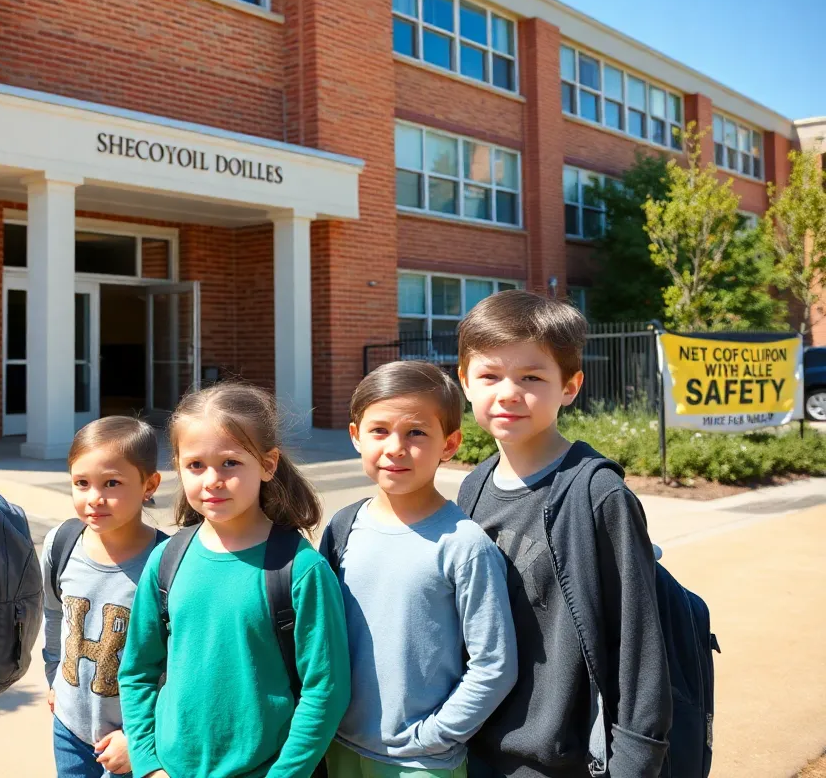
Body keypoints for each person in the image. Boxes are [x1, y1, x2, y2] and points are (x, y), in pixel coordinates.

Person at [455, 291, 671, 778]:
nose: (508, 392)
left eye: (531, 377)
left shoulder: (598, 494)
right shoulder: (473, 486)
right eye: (490, 376)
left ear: (570, 386)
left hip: (562, 760)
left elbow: (637, 638)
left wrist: (636, 762)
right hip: (476, 752)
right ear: (465, 382)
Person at [118, 382, 351, 778]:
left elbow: (325, 691)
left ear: (268, 464)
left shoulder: (300, 570)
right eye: (195, 465)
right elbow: (137, 670)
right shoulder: (167, 559)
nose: (212, 479)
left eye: (229, 462)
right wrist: (148, 763)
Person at [321, 361, 517, 778]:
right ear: (356, 436)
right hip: (337, 746)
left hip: (419, 762)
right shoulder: (343, 527)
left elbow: (494, 664)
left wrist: (436, 735)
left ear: (449, 444)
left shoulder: (464, 545)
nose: (394, 447)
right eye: (379, 431)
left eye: (416, 433)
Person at [43, 417, 166, 778]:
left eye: (112, 483)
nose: (94, 497)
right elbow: (53, 615)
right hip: (70, 728)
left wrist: (139, 737)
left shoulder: (167, 562)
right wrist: (54, 675)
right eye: (81, 483)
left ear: (149, 484)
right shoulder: (61, 543)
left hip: (137, 738)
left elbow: (181, 663)